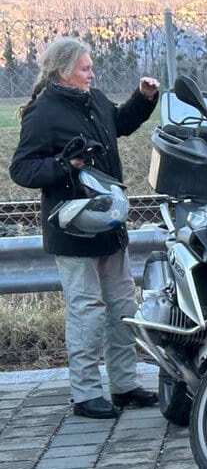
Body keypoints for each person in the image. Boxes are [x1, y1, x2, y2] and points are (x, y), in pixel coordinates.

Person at [9, 36, 161, 419]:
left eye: (91, 67)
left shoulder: (94, 100)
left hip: (109, 225)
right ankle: (86, 393)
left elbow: (119, 124)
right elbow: (22, 169)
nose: (92, 73)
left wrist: (143, 99)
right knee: (86, 312)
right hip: (73, 229)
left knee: (122, 306)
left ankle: (124, 386)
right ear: (64, 72)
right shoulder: (43, 112)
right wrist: (66, 165)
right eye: (85, 68)